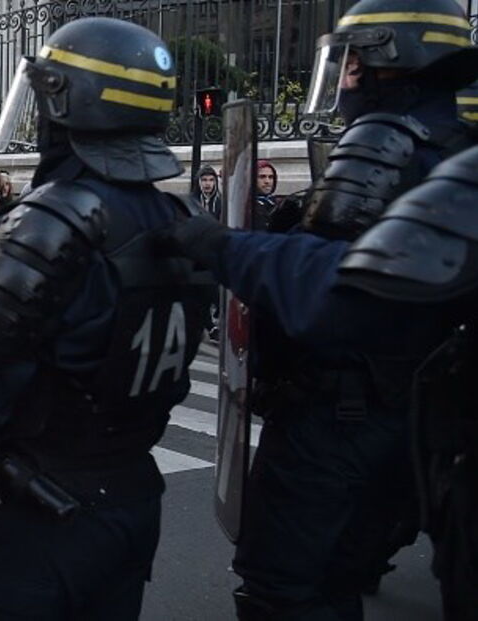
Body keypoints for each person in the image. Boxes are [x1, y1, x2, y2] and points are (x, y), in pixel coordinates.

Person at [167, 2, 478, 617]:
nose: (345, 77)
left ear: (389, 56)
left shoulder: (387, 141)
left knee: (287, 585)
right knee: (346, 568)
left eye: (353, 61)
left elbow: (331, 290)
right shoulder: (457, 149)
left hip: (343, 417)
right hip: (420, 420)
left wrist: (218, 245)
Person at [0, 17, 212, 618]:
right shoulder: (179, 217)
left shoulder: (47, 226)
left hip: (44, 518)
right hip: (133, 493)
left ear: (63, 101)